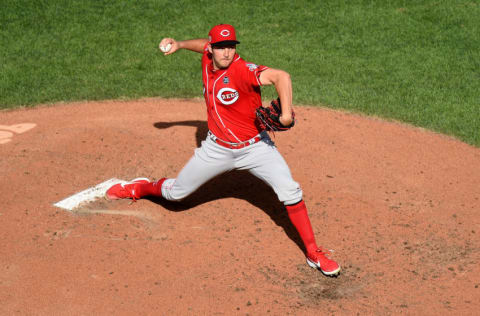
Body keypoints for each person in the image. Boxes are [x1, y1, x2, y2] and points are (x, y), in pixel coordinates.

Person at [105, 24, 340, 276]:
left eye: (231, 46)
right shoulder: (208, 56)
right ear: (212, 48)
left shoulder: (243, 71)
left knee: (290, 190)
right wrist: (181, 44)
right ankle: (139, 187)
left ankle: (314, 252)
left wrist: (284, 114)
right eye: (220, 47)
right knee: (175, 195)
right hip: (216, 149)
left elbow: (281, 76)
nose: (226, 52)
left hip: (256, 148)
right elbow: (201, 46)